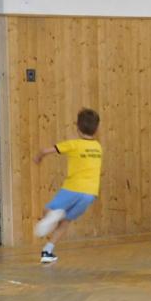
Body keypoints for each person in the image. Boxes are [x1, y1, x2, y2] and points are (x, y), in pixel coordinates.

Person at [33, 108, 102, 265]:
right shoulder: (98, 147)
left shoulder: (74, 144)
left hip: (73, 188)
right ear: (97, 129)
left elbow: (46, 150)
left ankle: (53, 215)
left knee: (48, 210)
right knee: (66, 221)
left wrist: (38, 156)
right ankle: (47, 251)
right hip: (90, 194)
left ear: (77, 127)